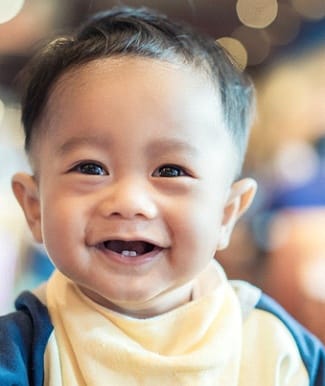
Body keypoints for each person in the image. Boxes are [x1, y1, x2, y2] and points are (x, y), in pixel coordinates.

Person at [0, 6, 323, 385]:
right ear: (34, 207)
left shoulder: (278, 348)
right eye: (90, 168)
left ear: (226, 213)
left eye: (171, 171)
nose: (130, 201)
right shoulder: (22, 352)